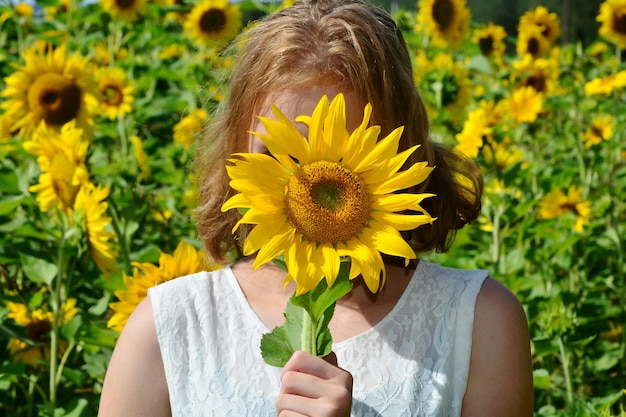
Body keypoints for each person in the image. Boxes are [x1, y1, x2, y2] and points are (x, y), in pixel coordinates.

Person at [98, 0, 534, 415]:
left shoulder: (480, 322)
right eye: (280, 155)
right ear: (238, 150)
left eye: (342, 155)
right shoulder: (169, 327)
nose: (305, 181)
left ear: (400, 154)